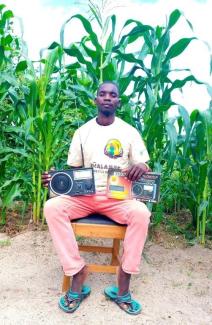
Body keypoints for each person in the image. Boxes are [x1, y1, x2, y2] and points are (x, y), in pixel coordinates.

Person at [42, 81, 151, 315]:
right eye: (103, 94)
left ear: (118, 102)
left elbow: (143, 162)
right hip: (85, 196)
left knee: (141, 213)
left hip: (118, 197)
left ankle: (124, 281)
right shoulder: (82, 132)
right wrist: (54, 179)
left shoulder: (129, 132)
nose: (108, 97)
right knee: (52, 207)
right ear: (96, 100)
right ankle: (77, 270)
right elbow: (73, 171)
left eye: (113, 95)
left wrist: (141, 166)